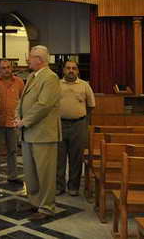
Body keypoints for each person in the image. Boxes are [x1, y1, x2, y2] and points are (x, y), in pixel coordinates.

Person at [15, 45, 61, 220]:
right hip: (28, 133)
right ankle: (35, 202)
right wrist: (17, 116)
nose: (28, 60)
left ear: (39, 60)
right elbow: (22, 101)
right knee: (31, 172)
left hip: (43, 134)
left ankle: (47, 207)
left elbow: (44, 105)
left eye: (30, 57)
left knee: (45, 173)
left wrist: (24, 121)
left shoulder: (50, 78)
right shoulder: (32, 76)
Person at [56, 60, 95, 196]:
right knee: (59, 158)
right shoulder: (56, 85)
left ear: (78, 71)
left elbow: (91, 106)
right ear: (63, 70)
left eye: (74, 68)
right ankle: (59, 186)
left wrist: (78, 115)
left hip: (78, 125)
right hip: (59, 124)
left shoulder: (84, 85)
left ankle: (73, 187)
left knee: (76, 158)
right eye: (68, 68)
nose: (71, 70)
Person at [0, 59, 25, 184]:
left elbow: (23, 100)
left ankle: (13, 176)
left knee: (13, 150)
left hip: (13, 122)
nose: (6, 70)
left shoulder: (19, 82)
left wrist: (20, 118)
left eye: (8, 67)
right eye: (3, 68)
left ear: (12, 68)